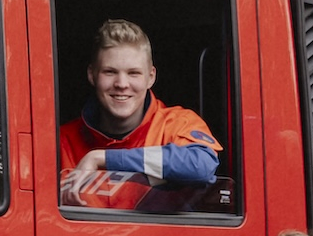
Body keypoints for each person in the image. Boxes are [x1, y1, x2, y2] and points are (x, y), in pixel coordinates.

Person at [58, 19, 223, 213]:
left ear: (151, 77)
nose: (122, 84)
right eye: (110, 72)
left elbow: (202, 165)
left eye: (133, 73)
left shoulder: (176, 124)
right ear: (92, 74)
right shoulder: (61, 141)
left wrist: (101, 158)